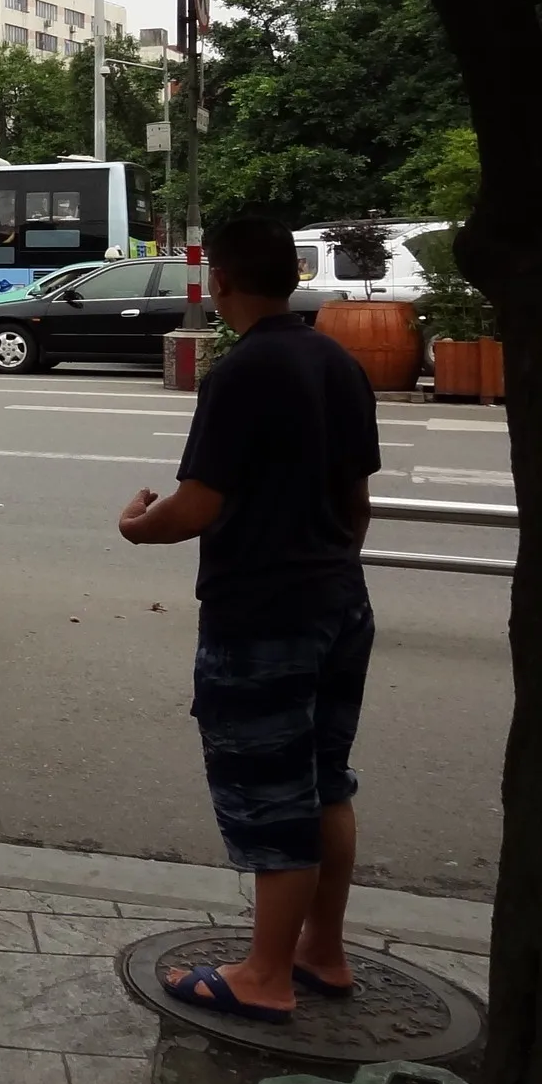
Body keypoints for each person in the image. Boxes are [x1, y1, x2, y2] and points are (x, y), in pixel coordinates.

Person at [116, 214, 380, 1026]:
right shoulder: (339, 361)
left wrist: (137, 523)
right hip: (340, 596)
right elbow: (357, 501)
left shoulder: (240, 373)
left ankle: (266, 973)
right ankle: (321, 951)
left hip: (263, 612)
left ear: (220, 280)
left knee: (271, 795)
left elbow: (198, 505)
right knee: (324, 780)